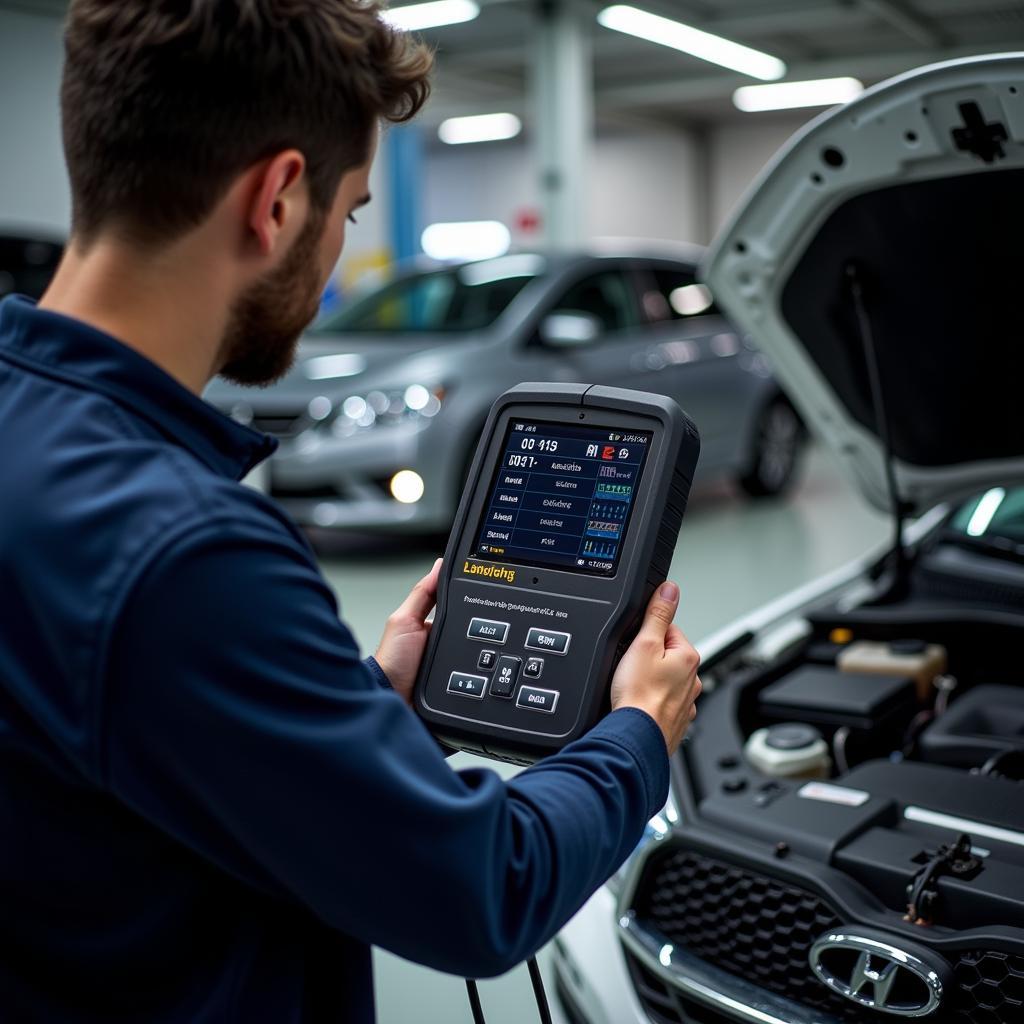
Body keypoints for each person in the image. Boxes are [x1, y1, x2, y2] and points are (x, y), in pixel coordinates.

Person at [0, 1, 702, 1021]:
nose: (340, 245)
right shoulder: (184, 553)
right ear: (279, 199)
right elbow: (479, 888)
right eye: (354, 210)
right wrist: (640, 729)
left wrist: (362, 701)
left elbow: (140, 746)